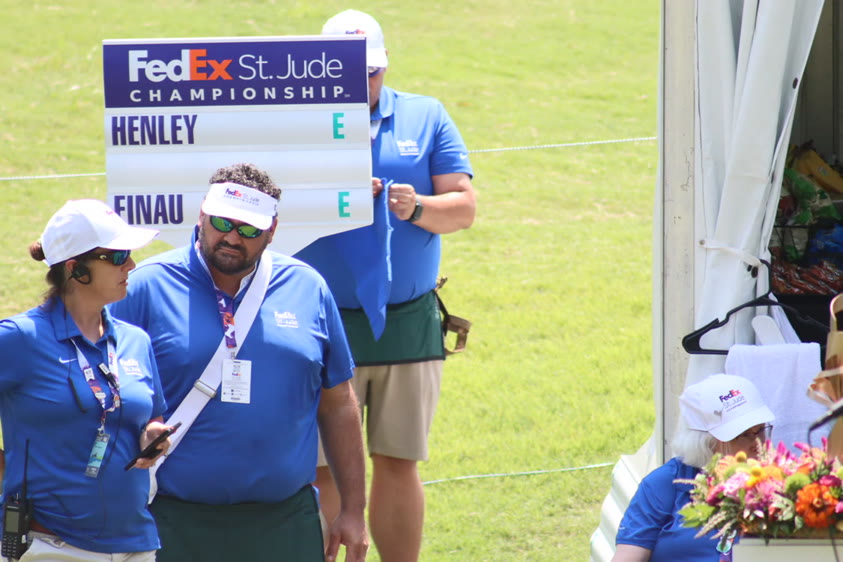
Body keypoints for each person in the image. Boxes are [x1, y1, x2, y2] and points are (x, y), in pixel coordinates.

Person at [109, 163, 368, 562]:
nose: (231, 237)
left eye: (248, 229)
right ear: (201, 215)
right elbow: (103, 398)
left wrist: (353, 509)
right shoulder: (144, 286)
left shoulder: (308, 287)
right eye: (221, 223)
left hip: (284, 523)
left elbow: (338, 404)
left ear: (272, 231)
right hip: (170, 520)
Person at [294, 9, 477, 562]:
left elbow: (464, 208)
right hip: (317, 322)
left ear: (386, 64)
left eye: (369, 72)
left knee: (399, 460)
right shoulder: (292, 122)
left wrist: (416, 206)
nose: (359, 84)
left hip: (406, 321)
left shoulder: (426, 115)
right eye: (345, 73)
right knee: (321, 466)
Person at [0, 199, 170, 561]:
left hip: (136, 546)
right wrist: (8, 473)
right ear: (76, 269)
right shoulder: (19, 338)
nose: (131, 265)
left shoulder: (136, 340)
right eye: (118, 256)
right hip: (50, 546)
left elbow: (150, 416)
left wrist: (153, 434)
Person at [612, 374, 776, 562]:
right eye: (742, 435)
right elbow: (628, 556)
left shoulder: (778, 485)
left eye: (760, 430)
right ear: (705, 442)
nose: (757, 443)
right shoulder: (666, 483)